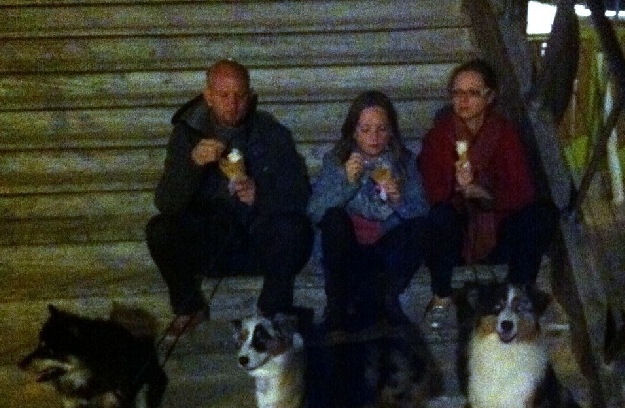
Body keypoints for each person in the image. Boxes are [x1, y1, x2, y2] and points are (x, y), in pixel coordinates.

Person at [146, 59, 314, 335]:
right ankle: (190, 307)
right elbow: (166, 203)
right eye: (224, 96)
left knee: (296, 229)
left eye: (239, 96)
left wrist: (261, 195)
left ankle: (272, 308)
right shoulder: (188, 135)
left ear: (250, 97)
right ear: (208, 97)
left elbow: (300, 195)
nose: (232, 104)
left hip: (257, 239)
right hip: (210, 241)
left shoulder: (271, 133)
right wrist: (193, 165)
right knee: (160, 230)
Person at [418, 59, 559, 328]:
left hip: (497, 228)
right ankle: (442, 297)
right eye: (457, 93)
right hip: (458, 236)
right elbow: (433, 191)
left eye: (472, 93)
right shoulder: (439, 136)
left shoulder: (504, 133)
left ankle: (519, 291)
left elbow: (522, 192)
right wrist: (457, 186)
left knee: (542, 215)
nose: (463, 100)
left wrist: (484, 192)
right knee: (438, 218)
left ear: (489, 96)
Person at [308, 90, 429, 333]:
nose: (374, 137)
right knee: (333, 218)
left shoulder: (404, 162)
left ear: (391, 131)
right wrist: (347, 183)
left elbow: (421, 213)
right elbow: (315, 211)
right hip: (347, 250)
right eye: (366, 129)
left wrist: (397, 200)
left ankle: (387, 296)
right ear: (354, 131)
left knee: (421, 227)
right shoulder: (337, 160)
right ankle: (337, 304)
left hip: (384, 250)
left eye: (381, 129)